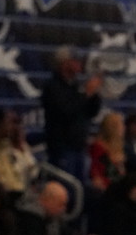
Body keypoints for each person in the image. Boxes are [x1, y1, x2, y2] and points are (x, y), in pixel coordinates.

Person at [40, 47, 102, 181]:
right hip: (63, 148)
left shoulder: (75, 86)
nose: (79, 64)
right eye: (75, 60)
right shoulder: (52, 87)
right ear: (64, 63)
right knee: (66, 184)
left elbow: (91, 111)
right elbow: (65, 111)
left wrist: (94, 95)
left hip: (79, 147)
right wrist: (86, 94)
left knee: (79, 185)